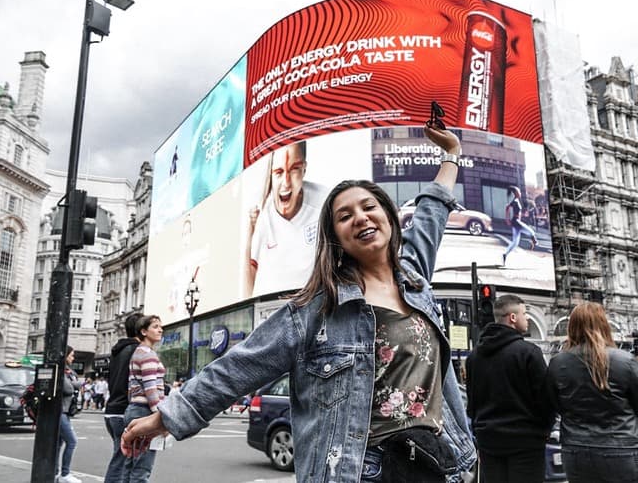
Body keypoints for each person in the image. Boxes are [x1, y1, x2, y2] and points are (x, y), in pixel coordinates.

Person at [122, 126, 476, 482]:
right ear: (335, 238)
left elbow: (432, 211)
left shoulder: (413, 276)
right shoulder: (317, 309)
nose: (361, 218)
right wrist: (165, 418)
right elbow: (240, 366)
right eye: (345, 216)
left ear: (388, 216)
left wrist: (450, 154)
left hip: (435, 464)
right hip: (365, 471)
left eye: (369, 206)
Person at [545, 302, 638, 482]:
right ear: (604, 325)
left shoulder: (558, 363)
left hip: (577, 449)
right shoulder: (625, 360)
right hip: (623, 447)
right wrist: (632, 428)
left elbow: (555, 404)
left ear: (572, 327)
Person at [466, 294, 553, 482]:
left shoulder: (474, 357)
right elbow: (545, 399)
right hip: (526, 443)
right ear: (512, 318)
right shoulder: (528, 353)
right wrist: (544, 430)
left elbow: (472, 402)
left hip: (489, 442)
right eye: (524, 313)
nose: (527, 318)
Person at [245, 141, 328, 297]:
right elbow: (246, 291)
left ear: (304, 169)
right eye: (278, 172)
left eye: (294, 169)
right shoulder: (260, 214)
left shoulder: (325, 202)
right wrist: (248, 232)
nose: (286, 183)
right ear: (270, 174)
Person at [123, 315, 166, 482]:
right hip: (145, 412)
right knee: (142, 469)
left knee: (130, 465)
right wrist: (160, 415)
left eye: (160, 326)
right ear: (143, 331)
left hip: (135, 409)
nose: (160, 329)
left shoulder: (138, 352)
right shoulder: (148, 355)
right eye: (155, 326)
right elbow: (150, 389)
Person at [103, 312, 141, 482]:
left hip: (111, 409)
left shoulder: (118, 351)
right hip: (123, 410)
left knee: (123, 457)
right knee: (121, 460)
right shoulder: (136, 350)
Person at [57, 346, 83, 483]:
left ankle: (56, 472)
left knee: (59, 443)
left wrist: (75, 384)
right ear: (65, 355)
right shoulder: (61, 370)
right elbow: (68, 388)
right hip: (60, 411)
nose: (73, 358)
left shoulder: (68, 371)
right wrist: (78, 384)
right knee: (72, 441)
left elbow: (72, 385)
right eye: (71, 355)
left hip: (65, 411)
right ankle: (65, 474)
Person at [501, 185, 537, 266]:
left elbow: (515, 211)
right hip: (516, 221)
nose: (520, 193)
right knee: (531, 232)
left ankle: (504, 255)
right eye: (519, 192)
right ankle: (534, 242)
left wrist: (523, 214)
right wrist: (507, 220)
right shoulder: (515, 201)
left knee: (515, 243)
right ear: (516, 193)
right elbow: (507, 208)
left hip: (516, 221)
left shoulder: (516, 201)